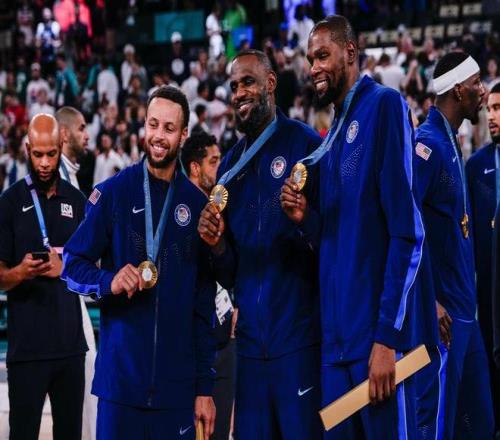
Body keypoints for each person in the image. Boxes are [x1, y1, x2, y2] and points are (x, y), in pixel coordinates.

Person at [280, 15, 435, 438]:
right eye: (311, 58)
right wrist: (305, 219)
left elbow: (408, 233)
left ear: (350, 52)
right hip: (335, 348)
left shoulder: (384, 105)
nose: (313, 67)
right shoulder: (331, 135)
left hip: (374, 344)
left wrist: (387, 338)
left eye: (323, 55)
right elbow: (334, 239)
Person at [61, 86, 216, 440]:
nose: (158, 136)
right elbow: (71, 263)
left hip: (177, 393)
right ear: (144, 125)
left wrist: (205, 387)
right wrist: (109, 281)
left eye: (169, 128)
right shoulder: (114, 192)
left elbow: (203, 304)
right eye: (153, 124)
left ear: (183, 135)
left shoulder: (197, 206)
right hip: (120, 388)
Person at [198, 49, 323, 439]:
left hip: (299, 343)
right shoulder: (229, 167)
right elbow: (230, 273)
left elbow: (335, 241)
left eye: (248, 82)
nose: (239, 93)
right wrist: (217, 245)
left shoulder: (304, 144)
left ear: (270, 84)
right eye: (234, 86)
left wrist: (306, 218)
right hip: (250, 349)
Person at [414, 51, 494, 439]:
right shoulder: (425, 145)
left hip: (467, 314)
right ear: (459, 90)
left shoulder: (450, 140)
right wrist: (428, 299)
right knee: (441, 428)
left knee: (481, 424)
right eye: (477, 83)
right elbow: (404, 228)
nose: (483, 91)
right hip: (443, 320)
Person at [0, 113, 87, 439]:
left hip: (70, 351)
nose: (46, 163)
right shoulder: (9, 202)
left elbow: (93, 270)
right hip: (26, 352)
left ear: (61, 146)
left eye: (51, 153)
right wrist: (20, 272)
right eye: (38, 155)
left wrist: (66, 268)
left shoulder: (77, 201)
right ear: (27, 150)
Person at [181, 132, 236, 440]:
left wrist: (235, 302)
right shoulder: (178, 213)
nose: (220, 168)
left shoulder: (221, 209)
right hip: (191, 346)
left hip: (224, 340)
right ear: (195, 168)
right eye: (213, 162)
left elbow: (232, 267)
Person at [55, 106, 98, 440]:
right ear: (65, 133)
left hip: (70, 292)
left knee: (84, 374)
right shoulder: (54, 179)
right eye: (82, 128)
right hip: (58, 294)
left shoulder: (71, 178)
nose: (87, 134)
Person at [465, 81, 500, 433]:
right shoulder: (476, 166)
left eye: (499, 108)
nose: (491, 116)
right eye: (489, 108)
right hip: (487, 284)